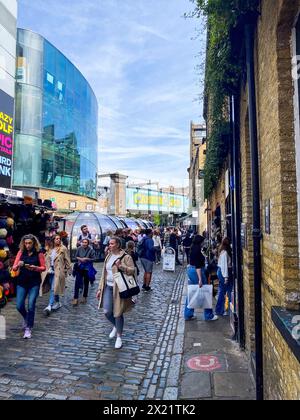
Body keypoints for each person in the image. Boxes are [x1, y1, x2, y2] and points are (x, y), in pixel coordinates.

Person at [96, 237, 135, 350]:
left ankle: (119, 337)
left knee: (118, 313)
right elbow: (104, 273)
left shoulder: (126, 257)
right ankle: (116, 326)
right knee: (107, 312)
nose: (110, 245)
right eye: (109, 243)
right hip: (108, 286)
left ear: (118, 245)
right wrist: (99, 288)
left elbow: (132, 270)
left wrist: (121, 266)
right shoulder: (108, 256)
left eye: (112, 243)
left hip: (120, 288)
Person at [12, 235, 46, 339]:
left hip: (34, 282)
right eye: (26, 243)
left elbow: (43, 268)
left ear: (34, 243)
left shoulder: (39, 253)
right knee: (19, 305)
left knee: (31, 304)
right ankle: (26, 318)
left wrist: (35, 268)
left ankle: (28, 328)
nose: (27, 245)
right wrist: (18, 265)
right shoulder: (21, 252)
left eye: (29, 243)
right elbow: (13, 267)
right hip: (22, 281)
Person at [184, 235, 218, 322]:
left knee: (192, 292)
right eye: (203, 241)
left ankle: (188, 314)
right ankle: (208, 315)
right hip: (196, 271)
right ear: (200, 242)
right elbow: (198, 266)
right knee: (205, 292)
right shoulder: (197, 249)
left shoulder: (193, 248)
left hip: (191, 270)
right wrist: (200, 279)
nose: (204, 243)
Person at [42, 234, 72, 316]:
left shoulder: (63, 249)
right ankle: (58, 302)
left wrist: (69, 270)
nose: (58, 240)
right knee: (55, 288)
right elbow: (46, 260)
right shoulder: (50, 249)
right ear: (53, 240)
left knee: (53, 288)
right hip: (50, 271)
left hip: (58, 271)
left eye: (59, 239)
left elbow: (67, 260)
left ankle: (49, 306)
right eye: (56, 239)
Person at [73, 239, 96, 306]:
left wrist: (86, 259)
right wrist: (80, 259)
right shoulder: (79, 248)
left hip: (87, 268)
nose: (84, 243)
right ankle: (75, 298)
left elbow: (94, 259)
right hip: (79, 267)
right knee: (77, 283)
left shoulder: (91, 250)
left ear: (88, 243)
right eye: (83, 242)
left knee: (86, 283)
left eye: (86, 242)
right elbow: (75, 256)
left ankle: (84, 297)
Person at [216, 237, 233, 317]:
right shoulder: (225, 253)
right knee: (228, 291)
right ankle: (228, 310)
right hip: (224, 273)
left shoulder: (222, 251)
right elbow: (224, 266)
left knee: (222, 291)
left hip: (221, 272)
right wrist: (226, 277)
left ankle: (220, 310)